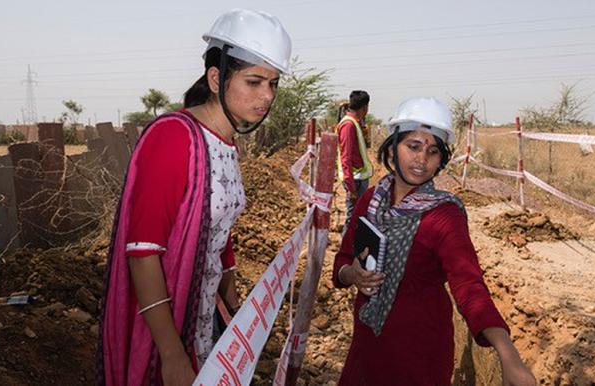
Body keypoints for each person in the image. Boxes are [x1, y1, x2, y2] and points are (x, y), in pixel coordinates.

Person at [97, 10, 292, 386]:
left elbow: (218, 228)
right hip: (165, 325)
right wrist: (171, 355)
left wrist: (230, 302)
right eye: (254, 81)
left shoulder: (227, 142)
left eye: (273, 83)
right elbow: (142, 252)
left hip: (203, 315)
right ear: (216, 78)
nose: (266, 96)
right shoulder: (174, 137)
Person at [332, 97, 536, 386]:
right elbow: (341, 261)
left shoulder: (444, 216)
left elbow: (468, 285)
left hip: (418, 355)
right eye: (413, 146)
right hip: (367, 343)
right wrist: (351, 273)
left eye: (433, 151)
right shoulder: (371, 200)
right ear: (393, 147)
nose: (421, 159)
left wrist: (508, 353)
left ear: (441, 159)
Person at [336, 90, 373, 231]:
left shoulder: (354, 123)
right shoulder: (348, 125)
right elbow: (346, 157)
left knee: (357, 216)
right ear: (365, 107)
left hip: (357, 178)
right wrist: (351, 188)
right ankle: (346, 250)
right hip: (355, 180)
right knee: (353, 218)